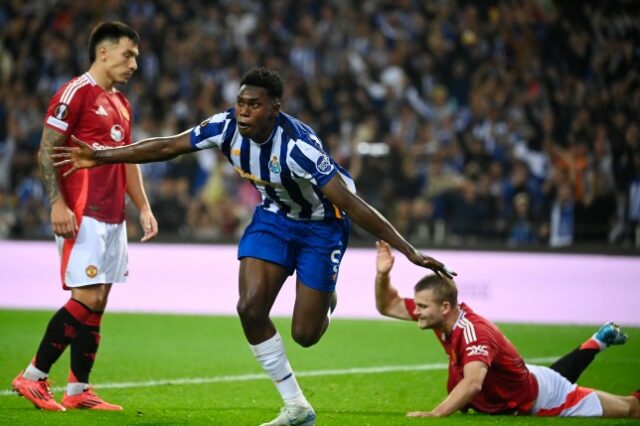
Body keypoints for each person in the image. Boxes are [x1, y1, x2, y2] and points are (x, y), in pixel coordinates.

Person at [51, 67, 454, 425]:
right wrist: (102, 157)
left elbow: (349, 202)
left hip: (322, 226)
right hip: (274, 219)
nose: (243, 111)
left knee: (306, 334)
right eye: (240, 103)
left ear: (274, 108)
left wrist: (409, 251)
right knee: (249, 307)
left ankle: (324, 299)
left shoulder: (298, 149)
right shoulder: (225, 127)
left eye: (254, 105)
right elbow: (169, 146)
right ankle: (296, 406)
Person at [12, 21, 158, 412]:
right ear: (103, 52)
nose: (134, 65)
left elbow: (129, 160)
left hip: (114, 215)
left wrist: (142, 206)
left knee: (100, 299)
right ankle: (33, 377)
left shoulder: (121, 104)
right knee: (87, 296)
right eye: (128, 55)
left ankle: (78, 391)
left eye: (137, 58)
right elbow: (47, 150)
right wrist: (56, 203)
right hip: (82, 211)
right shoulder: (74, 93)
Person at [374, 240, 639, 418]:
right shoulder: (441, 316)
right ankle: (596, 342)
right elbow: (388, 305)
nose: (416, 311)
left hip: (543, 398)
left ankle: (597, 344)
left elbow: (473, 383)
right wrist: (383, 275)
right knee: (545, 375)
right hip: (523, 379)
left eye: (421, 306)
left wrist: (435, 414)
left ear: (444, 307)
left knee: (630, 409)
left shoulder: (473, 332)